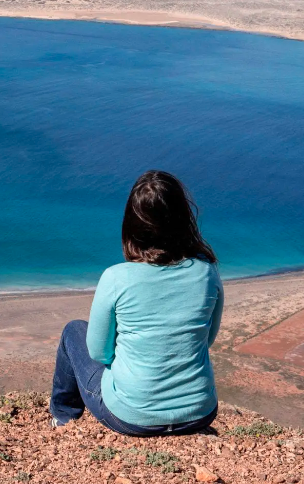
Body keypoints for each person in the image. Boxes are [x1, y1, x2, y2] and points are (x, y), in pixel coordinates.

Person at [50, 170, 223, 436]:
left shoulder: (116, 278)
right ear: (183, 218)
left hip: (132, 417)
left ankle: (63, 418)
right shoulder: (207, 272)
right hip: (199, 413)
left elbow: (98, 353)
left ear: (133, 224)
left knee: (74, 331)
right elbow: (205, 340)